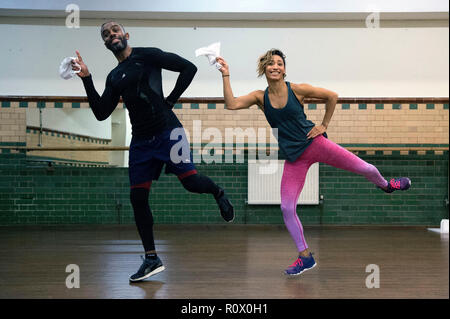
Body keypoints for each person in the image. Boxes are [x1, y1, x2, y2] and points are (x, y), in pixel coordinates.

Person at [215, 49, 411, 276]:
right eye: (270, 64)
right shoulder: (260, 97)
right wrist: (226, 74)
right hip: (294, 158)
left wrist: (324, 125)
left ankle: (386, 186)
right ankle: (305, 257)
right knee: (287, 208)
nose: (275, 67)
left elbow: (332, 96)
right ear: (265, 69)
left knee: (367, 168)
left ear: (284, 69)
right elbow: (231, 104)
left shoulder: (297, 90)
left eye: (279, 63)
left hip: (315, 144)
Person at [73, 21, 234, 282]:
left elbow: (188, 68)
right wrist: (87, 79)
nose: (111, 35)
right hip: (141, 142)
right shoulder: (114, 77)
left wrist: (170, 101)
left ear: (125, 35)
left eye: (115, 30)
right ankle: (151, 258)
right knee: (137, 198)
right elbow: (101, 112)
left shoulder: (147, 55)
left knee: (192, 182)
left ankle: (218, 191)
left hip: (169, 132)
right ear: (105, 44)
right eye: (106, 34)